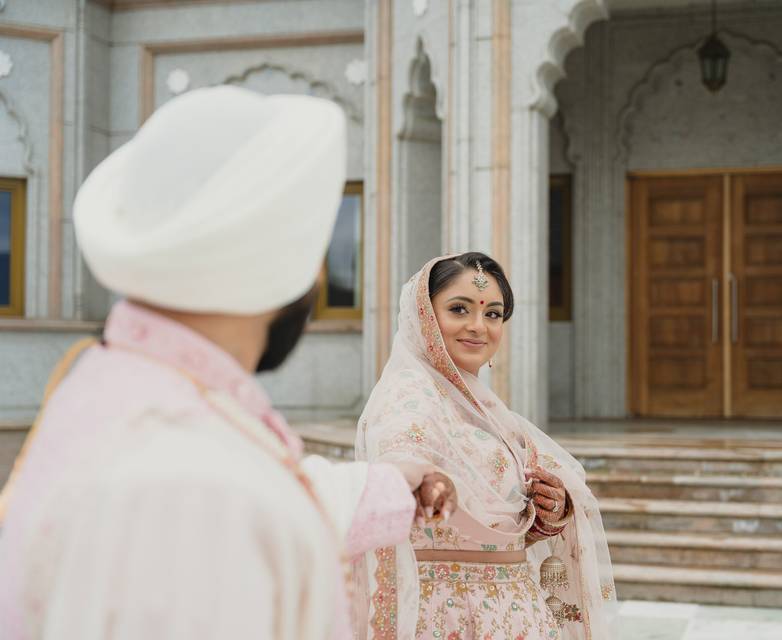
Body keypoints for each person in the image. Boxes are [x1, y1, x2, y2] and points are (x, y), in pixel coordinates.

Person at [0, 86, 454, 640]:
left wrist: (385, 485)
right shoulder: (195, 490)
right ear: (282, 262)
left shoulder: (114, 382)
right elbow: (220, 507)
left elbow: (262, 499)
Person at [352, 253, 617, 639]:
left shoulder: (490, 413)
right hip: (447, 615)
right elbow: (398, 464)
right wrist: (417, 477)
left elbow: (508, 518)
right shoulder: (409, 395)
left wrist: (551, 506)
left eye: (493, 314)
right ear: (422, 316)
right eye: (459, 309)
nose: (478, 326)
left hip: (517, 610)